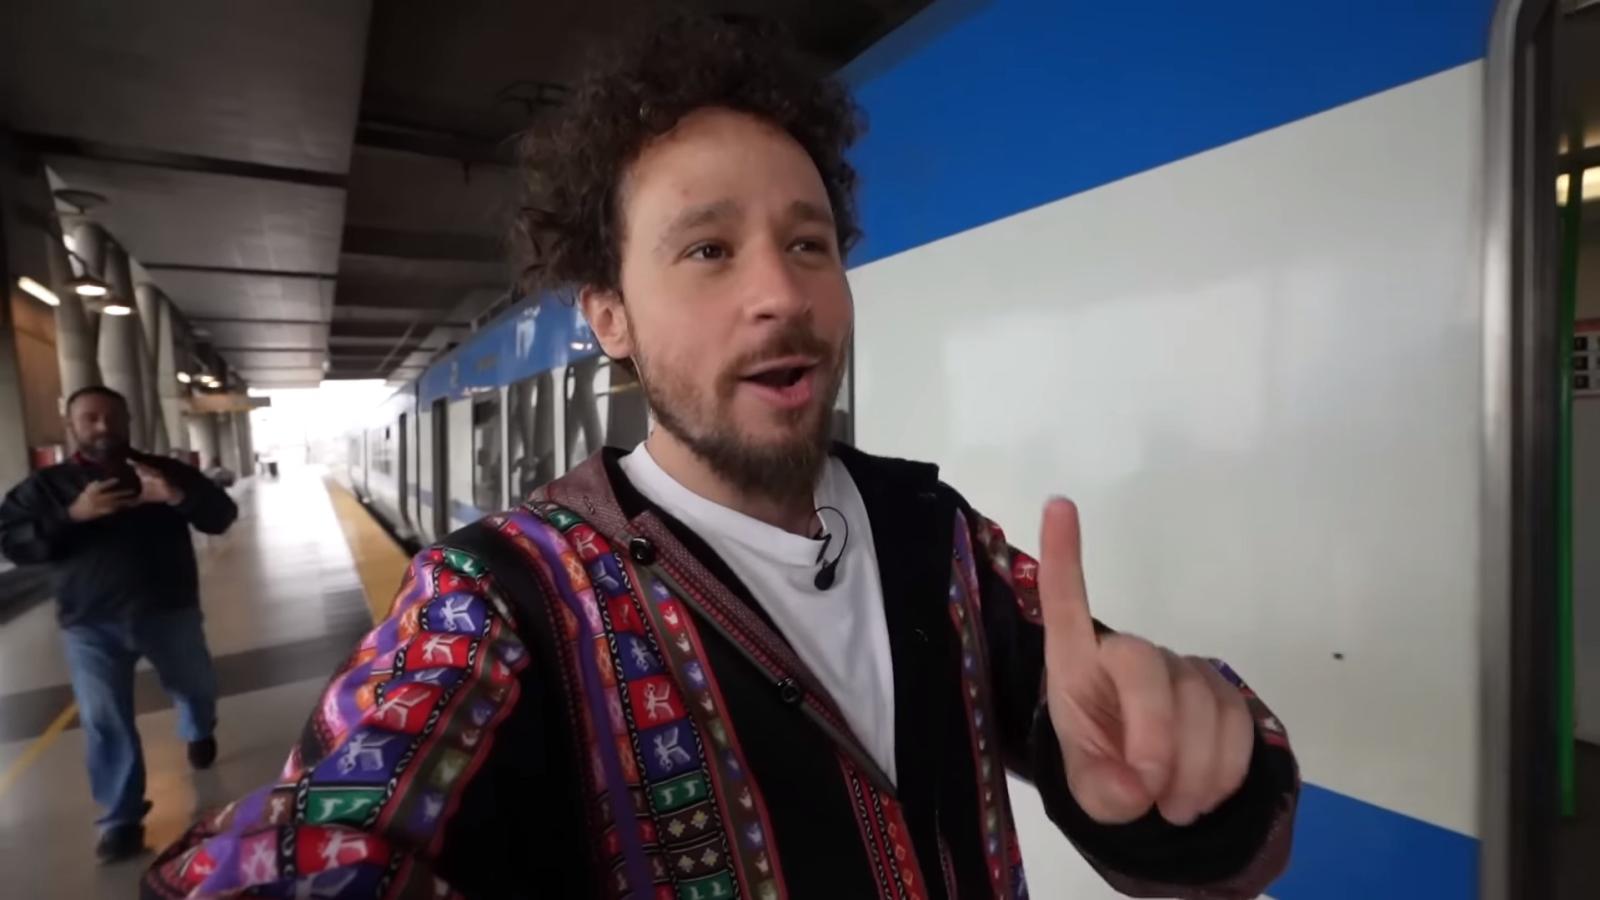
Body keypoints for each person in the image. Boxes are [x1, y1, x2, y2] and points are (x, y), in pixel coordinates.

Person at [144, 18, 1298, 899]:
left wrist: (1184, 778)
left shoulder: (935, 536)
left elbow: (1158, 764)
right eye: (707, 249)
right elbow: (310, 847)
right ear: (609, 316)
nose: (779, 293)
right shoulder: (500, 602)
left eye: (809, 243)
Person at [0, 385, 237, 863]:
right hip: (88, 623)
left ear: (128, 421)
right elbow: (12, 542)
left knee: (196, 687)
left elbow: (221, 516)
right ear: (71, 426)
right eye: (90, 418)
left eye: (112, 416)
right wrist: (73, 514)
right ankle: (120, 820)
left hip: (169, 610)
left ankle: (198, 728)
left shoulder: (165, 472)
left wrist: (177, 497)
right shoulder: (46, 488)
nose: (103, 426)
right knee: (105, 720)